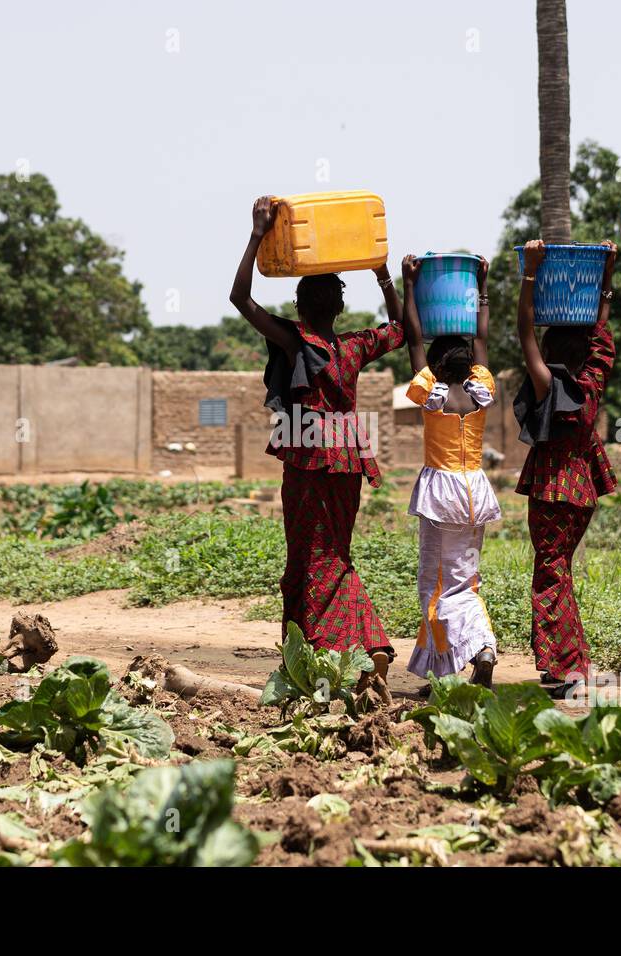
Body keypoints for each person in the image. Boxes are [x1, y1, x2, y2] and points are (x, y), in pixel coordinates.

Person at [230, 196, 405, 701]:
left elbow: (241, 299)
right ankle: (357, 646)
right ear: (340, 307)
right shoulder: (352, 346)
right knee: (336, 555)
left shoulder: (296, 340)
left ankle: (329, 655)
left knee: (310, 560)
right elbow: (400, 329)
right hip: (347, 454)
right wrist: (384, 276)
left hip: (308, 455)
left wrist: (257, 235)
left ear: (299, 307)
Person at [513, 239, 619, 698]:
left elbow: (523, 335)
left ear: (554, 353)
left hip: (554, 491)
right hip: (584, 491)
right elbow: (602, 333)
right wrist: (606, 278)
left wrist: (531, 275)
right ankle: (570, 661)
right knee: (560, 569)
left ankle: (566, 668)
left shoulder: (550, 385)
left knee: (550, 572)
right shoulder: (590, 383)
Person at [400, 253, 501, 688]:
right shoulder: (481, 390)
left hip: (441, 494)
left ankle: (461, 661)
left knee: (436, 585)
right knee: (466, 579)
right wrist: (482, 282)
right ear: (469, 367)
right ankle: (471, 655)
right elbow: (481, 338)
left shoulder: (431, 394)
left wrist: (409, 285)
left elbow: (413, 340)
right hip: (474, 491)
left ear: (437, 368)